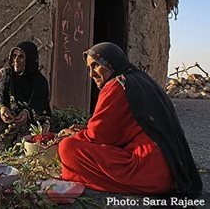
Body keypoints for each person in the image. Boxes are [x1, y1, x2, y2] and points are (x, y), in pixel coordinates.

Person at [59, 42, 202, 196]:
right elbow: (126, 126)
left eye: (95, 65)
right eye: (89, 68)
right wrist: (84, 129)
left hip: (146, 170)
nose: (91, 74)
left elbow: (99, 135)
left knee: (67, 147)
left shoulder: (117, 85)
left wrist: (74, 135)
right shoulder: (142, 80)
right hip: (170, 168)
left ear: (110, 63)